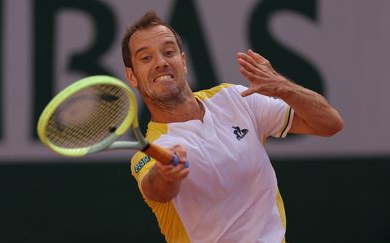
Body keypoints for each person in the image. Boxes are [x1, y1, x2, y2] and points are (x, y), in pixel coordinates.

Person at [121, 10, 343, 243]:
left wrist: (282, 87)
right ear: (132, 76)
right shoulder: (152, 149)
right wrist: (166, 174)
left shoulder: (235, 98)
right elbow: (156, 189)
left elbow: (330, 124)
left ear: (183, 62)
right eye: (146, 58)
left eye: (168, 52)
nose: (161, 63)